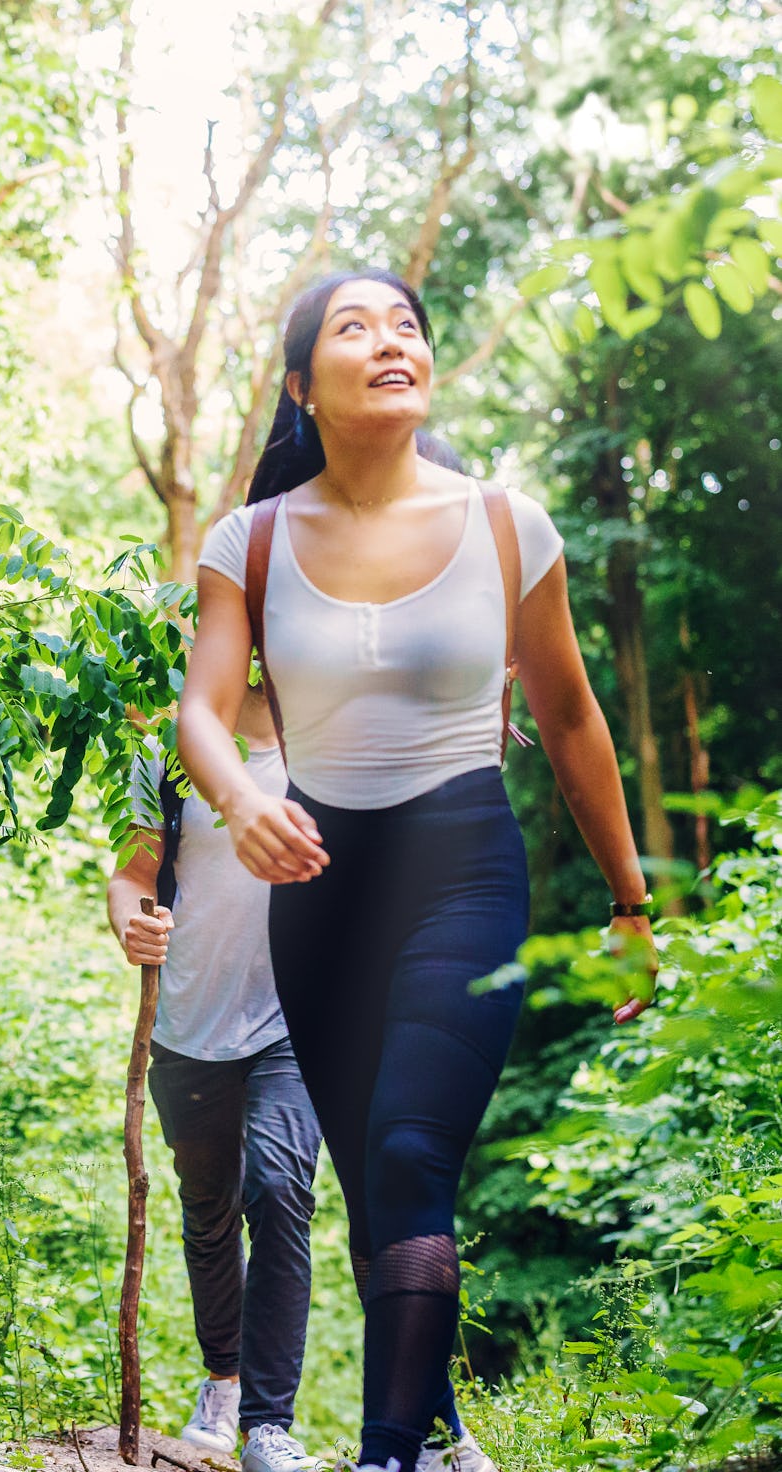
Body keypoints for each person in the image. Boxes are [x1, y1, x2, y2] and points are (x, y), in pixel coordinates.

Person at [176, 268, 658, 1472]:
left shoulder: (507, 523)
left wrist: (631, 902)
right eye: (355, 327)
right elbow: (202, 710)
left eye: (407, 325)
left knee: (407, 1152)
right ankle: (441, 1430)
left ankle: (387, 1452)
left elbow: (573, 719)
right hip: (320, 881)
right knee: (376, 1186)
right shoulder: (256, 537)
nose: (390, 339)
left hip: (462, 861)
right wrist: (243, 798)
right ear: (304, 386)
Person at [107, 676, 322, 1472]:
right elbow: (134, 873)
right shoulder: (168, 748)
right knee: (209, 1210)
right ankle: (222, 1384)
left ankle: (269, 1422)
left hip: (295, 1022)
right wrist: (131, 923)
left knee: (280, 1187)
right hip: (190, 1021)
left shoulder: (328, 739)